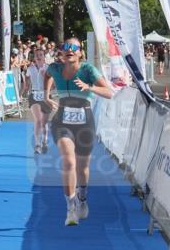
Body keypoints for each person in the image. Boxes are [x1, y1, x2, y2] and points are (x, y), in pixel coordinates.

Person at [44, 38, 114, 226]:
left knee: (82, 167)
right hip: (62, 120)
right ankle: (70, 209)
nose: (70, 50)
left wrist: (89, 87)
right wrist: (46, 95)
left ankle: (82, 198)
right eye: (66, 47)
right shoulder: (55, 68)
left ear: (80, 53)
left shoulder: (88, 70)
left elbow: (109, 92)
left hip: (84, 121)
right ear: (62, 52)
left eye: (74, 47)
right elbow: (47, 74)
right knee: (68, 162)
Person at [25, 47, 52, 153]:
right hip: (34, 95)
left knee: (44, 122)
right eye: (37, 55)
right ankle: (37, 144)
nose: (38, 57)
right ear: (34, 58)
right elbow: (27, 77)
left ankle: (45, 140)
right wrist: (26, 85)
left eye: (41, 55)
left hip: (45, 96)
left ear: (44, 57)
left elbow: (53, 85)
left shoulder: (48, 68)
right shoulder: (30, 68)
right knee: (38, 120)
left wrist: (45, 77)